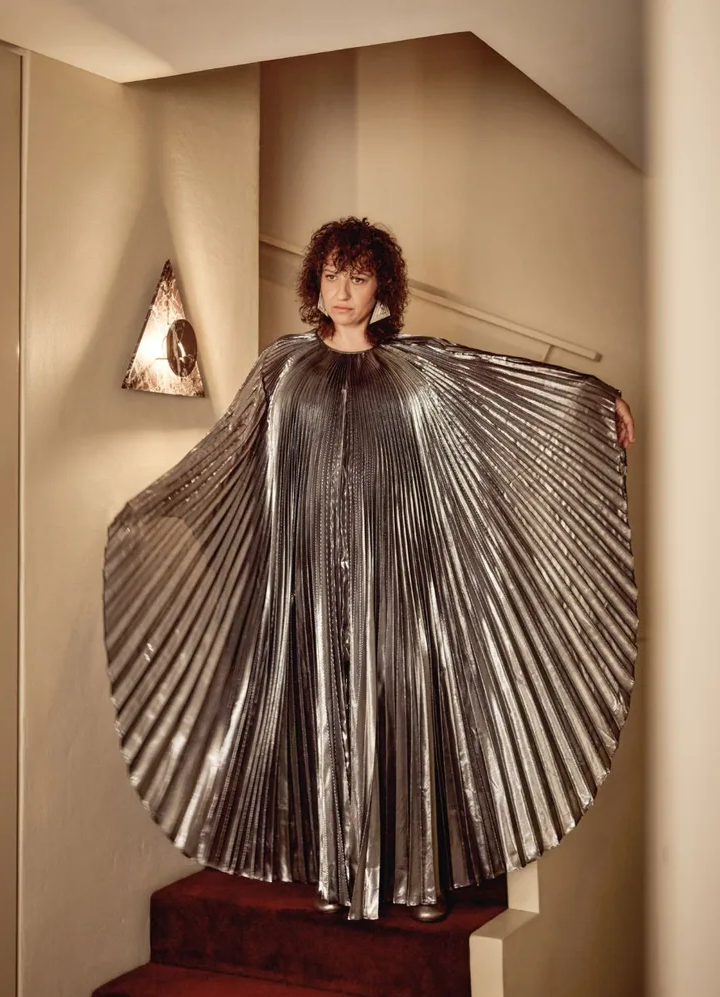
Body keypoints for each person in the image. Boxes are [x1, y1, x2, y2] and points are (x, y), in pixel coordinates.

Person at [102, 216, 638, 924]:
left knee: (403, 705)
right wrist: (160, 508)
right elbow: (231, 451)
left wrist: (595, 398)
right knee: (322, 712)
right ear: (315, 282)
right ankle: (335, 873)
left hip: (399, 573)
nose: (343, 291)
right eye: (332, 275)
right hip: (309, 578)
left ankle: (418, 877)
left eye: (358, 277)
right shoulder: (281, 366)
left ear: (381, 285)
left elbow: (503, 387)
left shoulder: (420, 366)